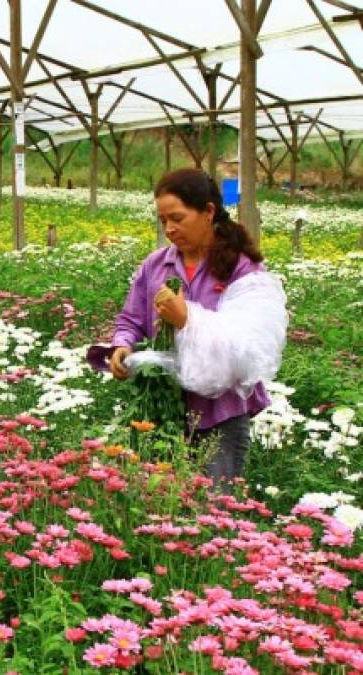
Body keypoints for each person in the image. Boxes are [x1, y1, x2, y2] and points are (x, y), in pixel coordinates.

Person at [108, 168, 286, 492]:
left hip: (218, 415)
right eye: (163, 221)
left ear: (208, 211)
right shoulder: (156, 265)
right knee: (159, 506)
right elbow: (131, 319)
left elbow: (247, 347)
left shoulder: (240, 268)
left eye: (177, 217)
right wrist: (122, 346)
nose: (170, 229)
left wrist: (187, 319)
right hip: (161, 411)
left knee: (213, 513)